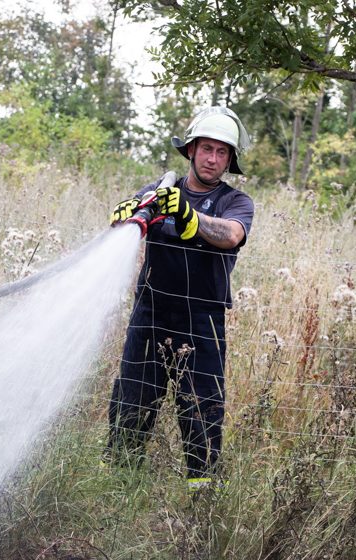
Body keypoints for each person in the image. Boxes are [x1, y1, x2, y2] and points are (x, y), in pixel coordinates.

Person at [107, 106, 255, 491]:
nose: (213, 159)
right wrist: (127, 216)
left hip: (201, 321)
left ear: (230, 160)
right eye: (207, 149)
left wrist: (191, 218)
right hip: (151, 313)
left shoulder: (235, 202)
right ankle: (120, 488)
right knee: (132, 402)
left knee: (201, 410)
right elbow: (125, 225)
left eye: (222, 153)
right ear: (191, 150)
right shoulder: (158, 191)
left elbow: (231, 235)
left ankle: (201, 497)